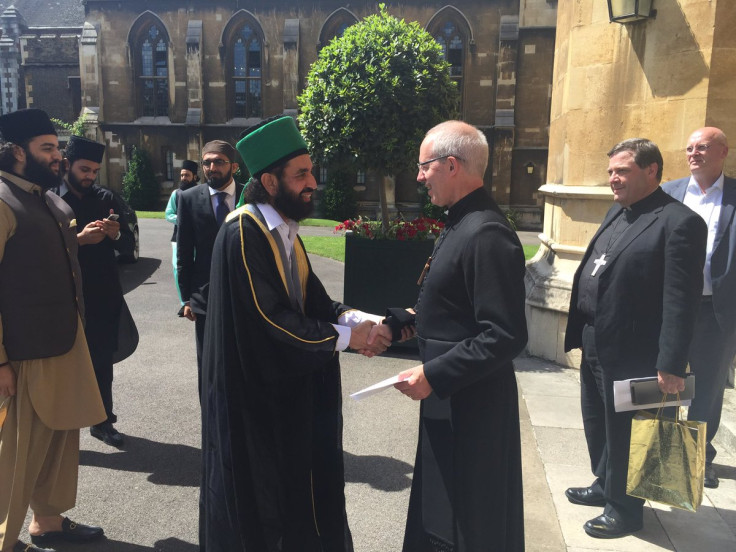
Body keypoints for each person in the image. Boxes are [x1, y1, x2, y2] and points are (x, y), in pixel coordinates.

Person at [199, 115, 393, 552]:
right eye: (301, 174)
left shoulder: (284, 230)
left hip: (280, 395)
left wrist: (357, 319)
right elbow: (269, 319)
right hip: (252, 401)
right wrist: (346, 338)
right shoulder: (244, 232)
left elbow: (316, 303)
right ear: (269, 180)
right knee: (260, 511)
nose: (313, 183)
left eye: (312, 171)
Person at [394, 120, 528, 552]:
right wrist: (396, 324)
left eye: (424, 167)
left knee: (468, 522)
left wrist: (435, 374)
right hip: (451, 399)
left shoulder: (486, 232)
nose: (418, 177)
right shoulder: (460, 223)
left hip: (473, 407)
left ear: (451, 165)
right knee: (440, 513)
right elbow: (450, 307)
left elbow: (505, 334)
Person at [564, 138, 707, 539]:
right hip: (597, 340)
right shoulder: (617, 211)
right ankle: (604, 483)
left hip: (637, 352)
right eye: (610, 171)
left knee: (629, 431)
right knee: (598, 422)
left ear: (652, 171)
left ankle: (625, 509)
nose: (613, 178)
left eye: (622, 171)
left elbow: (682, 299)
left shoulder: (679, 222)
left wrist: (671, 362)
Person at [0, 109, 106, 552]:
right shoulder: (3, 200)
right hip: (24, 350)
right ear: (18, 152)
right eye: (48, 148)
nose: (58, 156)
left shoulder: (45, 197)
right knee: (17, 451)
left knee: (61, 437)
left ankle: (48, 522)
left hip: (62, 338)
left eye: (58, 148)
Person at [662, 127, 736, 489]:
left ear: (723, 152)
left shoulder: (735, 196)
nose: (693, 153)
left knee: (707, 387)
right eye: (689, 147)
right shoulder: (668, 193)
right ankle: (660, 451)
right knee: (660, 381)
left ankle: (699, 456)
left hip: (717, 311)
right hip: (669, 308)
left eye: (703, 147)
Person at [53, 135, 135, 448]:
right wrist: (79, 240)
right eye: (84, 169)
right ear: (67, 165)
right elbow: (39, 252)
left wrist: (115, 235)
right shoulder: (50, 199)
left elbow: (128, 246)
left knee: (101, 363)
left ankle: (103, 422)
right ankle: (59, 429)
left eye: (94, 171)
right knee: (60, 366)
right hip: (62, 298)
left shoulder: (105, 198)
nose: (89, 176)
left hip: (102, 295)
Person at [176, 142, 244, 397]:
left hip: (245, 295)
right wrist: (186, 298)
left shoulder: (251, 196)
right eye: (207, 163)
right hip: (205, 297)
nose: (211, 168)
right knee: (209, 364)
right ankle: (211, 423)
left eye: (218, 162)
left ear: (234, 166)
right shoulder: (189, 198)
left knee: (242, 361)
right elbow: (184, 253)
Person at [165, 159, 199, 316]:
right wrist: (183, 220)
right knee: (178, 268)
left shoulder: (200, 193)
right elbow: (168, 214)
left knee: (197, 267)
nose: (184, 178)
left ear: (195, 176)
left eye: (187, 175)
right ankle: (183, 302)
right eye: (182, 175)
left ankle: (196, 298)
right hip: (178, 238)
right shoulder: (176, 194)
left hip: (198, 238)